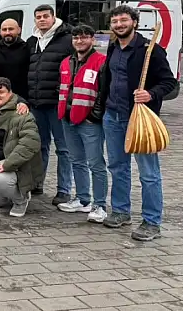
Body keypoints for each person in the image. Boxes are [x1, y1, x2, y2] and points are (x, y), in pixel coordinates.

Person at [98, 5, 175, 241]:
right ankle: (121, 211)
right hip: (113, 116)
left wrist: (150, 94)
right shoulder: (113, 48)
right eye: (115, 21)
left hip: (139, 119)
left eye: (123, 20)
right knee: (117, 168)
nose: (119, 25)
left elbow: (169, 83)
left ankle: (152, 222)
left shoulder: (150, 50)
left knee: (148, 173)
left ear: (134, 22)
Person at [57, 25, 107, 222]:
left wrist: (94, 116)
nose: (80, 41)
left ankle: (100, 205)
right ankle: (83, 200)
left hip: (89, 121)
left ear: (92, 40)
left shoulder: (101, 62)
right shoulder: (66, 62)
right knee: (76, 161)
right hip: (68, 119)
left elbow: (103, 93)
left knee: (96, 163)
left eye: (84, 38)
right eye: (76, 38)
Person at [26, 5, 74, 205]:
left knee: (63, 148)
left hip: (57, 103)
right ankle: (38, 182)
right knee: (39, 146)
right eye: (38, 17)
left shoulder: (67, 39)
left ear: (54, 18)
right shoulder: (32, 41)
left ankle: (64, 189)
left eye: (46, 16)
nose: (42, 20)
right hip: (36, 103)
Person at [0, 77, 43, 217]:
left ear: (10, 93)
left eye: (1, 91)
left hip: (12, 165)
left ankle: (21, 199)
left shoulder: (22, 114)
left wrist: (9, 164)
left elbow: (30, 143)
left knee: (0, 181)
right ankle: (7, 189)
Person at [0, 19, 30, 99]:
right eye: (4, 29)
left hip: (22, 97)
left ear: (19, 30)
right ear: (0, 31)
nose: (7, 32)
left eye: (11, 29)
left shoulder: (27, 48)